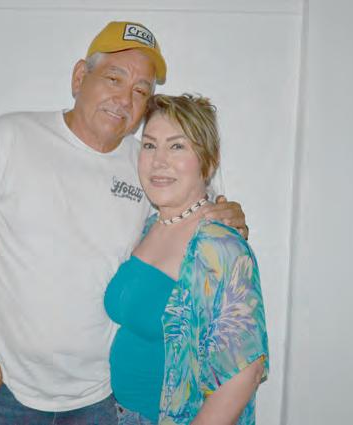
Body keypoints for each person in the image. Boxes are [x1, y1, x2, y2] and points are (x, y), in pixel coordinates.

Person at [0, 21, 249, 424]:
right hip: (6, 393)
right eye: (114, 79)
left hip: (100, 399)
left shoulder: (146, 163)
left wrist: (227, 216)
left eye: (141, 91)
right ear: (80, 76)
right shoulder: (9, 137)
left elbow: (187, 216)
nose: (125, 99)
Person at [105, 94, 268, 425]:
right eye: (150, 145)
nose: (159, 161)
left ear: (208, 160)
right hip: (114, 412)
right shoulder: (149, 225)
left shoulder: (219, 246)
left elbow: (244, 373)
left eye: (177, 146)